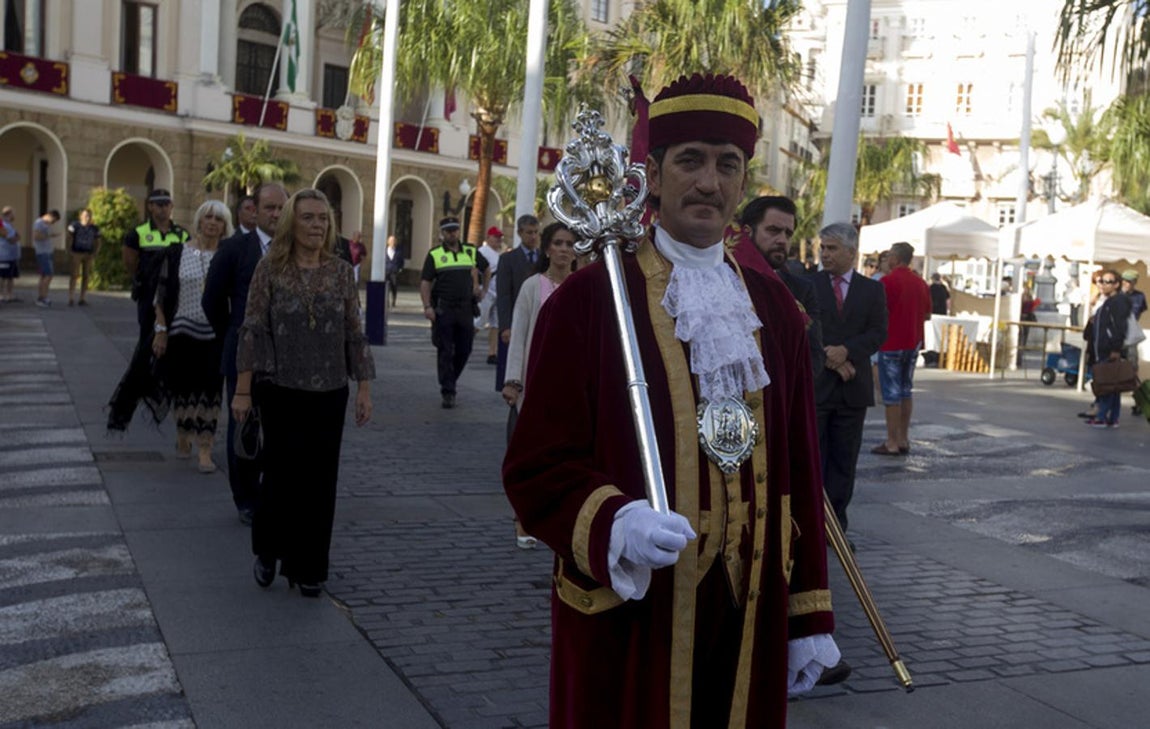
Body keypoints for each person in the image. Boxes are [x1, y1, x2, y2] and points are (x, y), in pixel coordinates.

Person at [503, 73, 837, 728]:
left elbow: (801, 468)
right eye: (690, 161)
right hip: (635, 610)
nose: (709, 182)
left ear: (743, 182)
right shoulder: (589, 302)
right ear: (652, 174)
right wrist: (612, 523)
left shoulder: (776, 312)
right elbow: (534, 468)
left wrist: (809, 612)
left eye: (727, 164)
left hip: (748, 613)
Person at [233, 188, 374, 597]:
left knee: (320, 481)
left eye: (323, 219)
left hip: (330, 392)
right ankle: (268, 550)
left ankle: (308, 567)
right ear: (292, 223)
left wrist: (363, 387)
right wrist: (243, 392)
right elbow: (253, 329)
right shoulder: (269, 269)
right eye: (309, 218)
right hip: (280, 390)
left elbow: (354, 331)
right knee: (280, 476)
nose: (317, 225)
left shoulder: (340, 271)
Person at [203, 183, 287, 525]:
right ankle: (246, 499)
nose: (276, 215)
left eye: (282, 208)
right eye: (269, 208)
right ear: (254, 211)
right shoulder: (235, 248)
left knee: (279, 428)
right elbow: (212, 301)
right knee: (244, 428)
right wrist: (233, 336)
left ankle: (273, 491)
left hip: (285, 358)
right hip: (243, 355)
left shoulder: (294, 250)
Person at [500, 221, 576, 549]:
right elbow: (519, 334)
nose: (563, 249)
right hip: (533, 387)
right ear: (547, 249)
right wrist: (513, 381)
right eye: (557, 243)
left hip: (571, 390)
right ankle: (523, 520)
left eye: (569, 244)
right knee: (527, 457)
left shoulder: (582, 286)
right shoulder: (533, 287)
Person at [808, 223, 887, 531]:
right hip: (818, 387)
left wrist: (848, 351)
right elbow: (804, 326)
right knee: (814, 459)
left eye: (832, 248)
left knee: (844, 461)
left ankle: (836, 527)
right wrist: (831, 356)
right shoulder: (807, 284)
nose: (824, 254)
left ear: (852, 253)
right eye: (823, 247)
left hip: (853, 390)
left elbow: (878, 332)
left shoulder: (872, 290)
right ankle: (811, 524)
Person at [152, 201, 231, 473]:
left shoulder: (227, 256)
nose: (212, 222)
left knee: (210, 391)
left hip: (214, 335)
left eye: (218, 219)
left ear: (224, 226)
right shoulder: (176, 252)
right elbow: (161, 294)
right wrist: (160, 331)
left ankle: (205, 449)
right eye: (208, 217)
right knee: (183, 389)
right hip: (181, 332)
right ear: (199, 220)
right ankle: (183, 434)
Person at [107, 189, 190, 432]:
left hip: (173, 300)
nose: (163, 208)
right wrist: (146, 282)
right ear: (150, 207)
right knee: (148, 340)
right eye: (158, 204)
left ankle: (161, 382)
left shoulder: (181, 233)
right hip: (148, 299)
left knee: (172, 342)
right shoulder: (138, 233)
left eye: (166, 204)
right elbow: (130, 263)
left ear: (172, 206)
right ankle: (144, 383)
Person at [736, 195, 824, 376]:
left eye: (788, 234)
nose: (782, 240)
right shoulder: (722, 281)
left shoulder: (802, 290)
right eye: (773, 230)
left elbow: (813, 355)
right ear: (747, 232)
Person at [420, 215, 487, 408]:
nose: (452, 233)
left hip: (465, 308)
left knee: (465, 349)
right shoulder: (434, 254)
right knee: (445, 350)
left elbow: (487, 268)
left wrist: (482, 289)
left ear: (459, 231)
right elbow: (425, 282)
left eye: (455, 230)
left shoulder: (470, 251)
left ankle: (450, 379)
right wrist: (427, 307)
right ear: (442, 233)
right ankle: (448, 391)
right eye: (448, 230)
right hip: (444, 309)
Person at [873, 241, 931, 456]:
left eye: (888, 257)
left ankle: (891, 441)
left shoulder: (887, 282)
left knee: (891, 394)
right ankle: (904, 438)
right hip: (913, 342)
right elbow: (927, 314)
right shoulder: (920, 283)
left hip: (892, 342)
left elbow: (878, 312)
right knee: (906, 390)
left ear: (895, 259)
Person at [495, 214, 541, 388]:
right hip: (516, 318)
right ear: (520, 233)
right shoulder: (508, 259)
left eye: (536, 232)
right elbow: (504, 294)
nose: (533, 236)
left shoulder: (543, 258)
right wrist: (505, 326)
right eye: (529, 232)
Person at [1085, 270, 1131, 428]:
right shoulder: (1107, 302)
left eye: (1108, 282)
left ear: (1116, 284)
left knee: (1106, 384)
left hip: (1109, 349)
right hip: (1102, 349)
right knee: (1113, 384)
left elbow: (1120, 327)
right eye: (1102, 281)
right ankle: (1112, 418)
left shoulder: (1118, 302)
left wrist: (1116, 348)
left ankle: (1103, 416)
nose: (1103, 284)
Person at [477, 225, 504, 364]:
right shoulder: (482, 251)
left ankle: (492, 353)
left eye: (500, 237)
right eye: (496, 237)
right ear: (488, 237)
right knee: (479, 322)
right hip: (486, 291)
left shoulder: (499, 254)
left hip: (497, 292)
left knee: (496, 324)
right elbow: (474, 270)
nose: (498, 240)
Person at [1119, 269, 1145, 416]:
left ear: (1134, 282)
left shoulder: (1139, 297)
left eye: (1129, 281)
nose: (1126, 284)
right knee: (1110, 368)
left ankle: (1140, 402)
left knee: (1132, 371)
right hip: (1117, 336)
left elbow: (1136, 314)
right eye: (1124, 280)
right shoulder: (1117, 295)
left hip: (1129, 338)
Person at [67, 208, 101, 307]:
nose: (87, 218)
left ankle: (82, 298)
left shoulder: (94, 228)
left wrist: (96, 252)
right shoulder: (74, 225)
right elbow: (69, 237)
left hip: (88, 254)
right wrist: (69, 250)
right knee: (74, 275)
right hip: (76, 252)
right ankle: (71, 297)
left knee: (86, 276)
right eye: (85, 215)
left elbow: (98, 241)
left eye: (89, 216)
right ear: (80, 216)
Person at [32, 209, 61, 307]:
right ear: (50, 216)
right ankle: (43, 298)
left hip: (46, 252)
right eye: (54, 220)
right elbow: (36, 236)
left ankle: (41, 297)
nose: (53, 223)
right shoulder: (39, 222)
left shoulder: (45, 224)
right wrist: (50, 235)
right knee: (49, 275)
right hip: (43, 252)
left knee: (44, 276)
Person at [0, 206, 20, 303]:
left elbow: (17, 236)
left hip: (12, 255)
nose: (14, 215)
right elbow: (10, 238)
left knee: (10, 276)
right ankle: (2, 295)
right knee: (3, 276)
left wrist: (16, 237)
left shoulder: (9, 225)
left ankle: (9, 295)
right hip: (4, 255)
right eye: (13, 213)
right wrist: (15, 238)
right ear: (8, 214)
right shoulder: (2, 224)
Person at [384, 235, 403, 307]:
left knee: (394, 286)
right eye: (391, 241)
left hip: (394, 272)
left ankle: (394, 300)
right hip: (386, 271)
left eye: (394, 241)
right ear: (388, 242)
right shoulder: (385, 250)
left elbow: (401, 261)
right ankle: (386, 301)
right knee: (386, 287)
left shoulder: (398, 251)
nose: (392, 242)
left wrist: (400, 268)